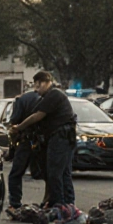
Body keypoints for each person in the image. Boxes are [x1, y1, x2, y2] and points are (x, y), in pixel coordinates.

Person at [10, 71, 77, 207]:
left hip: (60, 138)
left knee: (55, 173)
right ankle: (67, 205)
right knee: (63, 173)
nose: (36, 90)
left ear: (46, 82)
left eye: (38, 86)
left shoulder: (54, 94)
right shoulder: (46, 97)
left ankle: (59, 205)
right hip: (61, 137)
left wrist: (19, 128)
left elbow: (37, 116)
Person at [4, 85, 42, 218]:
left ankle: (14, 204)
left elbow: (14, 121)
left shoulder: (21, 100)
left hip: (26, 141)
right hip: (44, 141)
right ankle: (52, 203)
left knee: (16, 173)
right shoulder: (47, 98)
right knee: (49, 174)